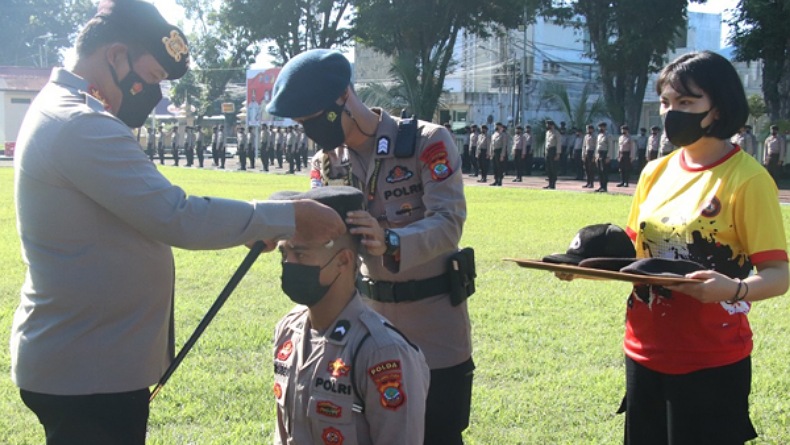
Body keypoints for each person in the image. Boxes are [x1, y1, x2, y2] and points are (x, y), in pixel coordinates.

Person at [9, 3, 347, 444]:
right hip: (88, 370)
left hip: (88, 360)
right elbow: (177, 215)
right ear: (116, 57)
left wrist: (253, 224)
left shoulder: (67, 111)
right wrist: (289, 216)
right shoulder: (81, 123)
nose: (153, 94)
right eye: (151, 78)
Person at [267, 49, 474, 445]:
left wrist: (391, 240)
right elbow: (317, 229)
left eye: (313, 120)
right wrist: (275, 225)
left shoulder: (426, 142)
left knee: (439, 435)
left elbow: (449, 222)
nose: (311, 131)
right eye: (301, 124)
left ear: (344, 97)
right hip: (364, 332)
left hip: (433, 326)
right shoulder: (327, 164)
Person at [619, 50, 788, 445]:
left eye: (686, 102)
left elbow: (779, 276)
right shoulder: (654, 172)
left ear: (718, 107)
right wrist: (581, 265)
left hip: (711, 359)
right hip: (643, 349)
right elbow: (634, 254)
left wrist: (732, 289)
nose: (671, 112)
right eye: (665, 102)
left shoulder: (748, 179)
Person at [271, 186, 430, 445]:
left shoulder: (382, 352)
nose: (289, 265)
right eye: (284, 254)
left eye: (300, 254)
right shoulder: (288, 330)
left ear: (343, 261)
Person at [594, 122, 615, 193]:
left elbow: (610, 147)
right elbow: (597, 146)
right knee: (599, 171)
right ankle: (601, 186)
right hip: (599, 154)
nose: (600, 128)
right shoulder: (599, 135)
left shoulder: (608, 135)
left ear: (605, 127)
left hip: (604, 154)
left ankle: (605, 187)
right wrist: (596, 155)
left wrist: (608, 157)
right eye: (599, 127)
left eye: (602, 127)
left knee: (604, 171)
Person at [490, 122, 509, 186]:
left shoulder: (503, 135)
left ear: (501, 127)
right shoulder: (494, 134)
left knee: (500, 167)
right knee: (495, 167)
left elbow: (504, 145)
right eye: (496, 126)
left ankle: (500, 180)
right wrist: (491, 153)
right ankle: (495, 180)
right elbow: (491, 144)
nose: (496, 127)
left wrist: (502, 155)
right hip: (494, 151)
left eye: (498, 126)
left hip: (499, 151)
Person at [544, 120, 561, 189]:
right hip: (548, 151)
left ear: (552, 125)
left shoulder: (556, 133)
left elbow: (558, 143)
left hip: (553, 151)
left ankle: (553, 184)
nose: (547, 126)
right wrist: (545, 152)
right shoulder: (547, 133)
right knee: (548, 168)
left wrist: (558, 153)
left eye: (548, 125)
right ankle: (549, 183)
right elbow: (546, 143)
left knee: (553, 168)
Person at [582, 124, 596, 188]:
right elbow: (584, 146)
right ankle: (587, 182)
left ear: (592, 129)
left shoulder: (595, 136)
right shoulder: (586, 136)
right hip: (586, 153)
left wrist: (594, 156)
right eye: (587, 129)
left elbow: (596, 147)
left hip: (592, 152)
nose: (588, 130)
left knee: (591, 169)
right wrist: (583, 154)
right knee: (586, 169)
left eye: (589, 129)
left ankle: (591, 183)